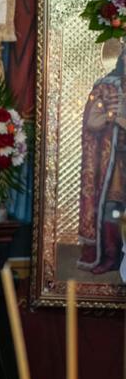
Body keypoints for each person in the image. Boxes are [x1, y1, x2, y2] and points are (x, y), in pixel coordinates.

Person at [78, 44, 126, 274]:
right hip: (114, 161)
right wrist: (111, 115)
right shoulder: (106, 87)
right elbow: (92, 122)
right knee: (112, 207)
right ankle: (111, 256)